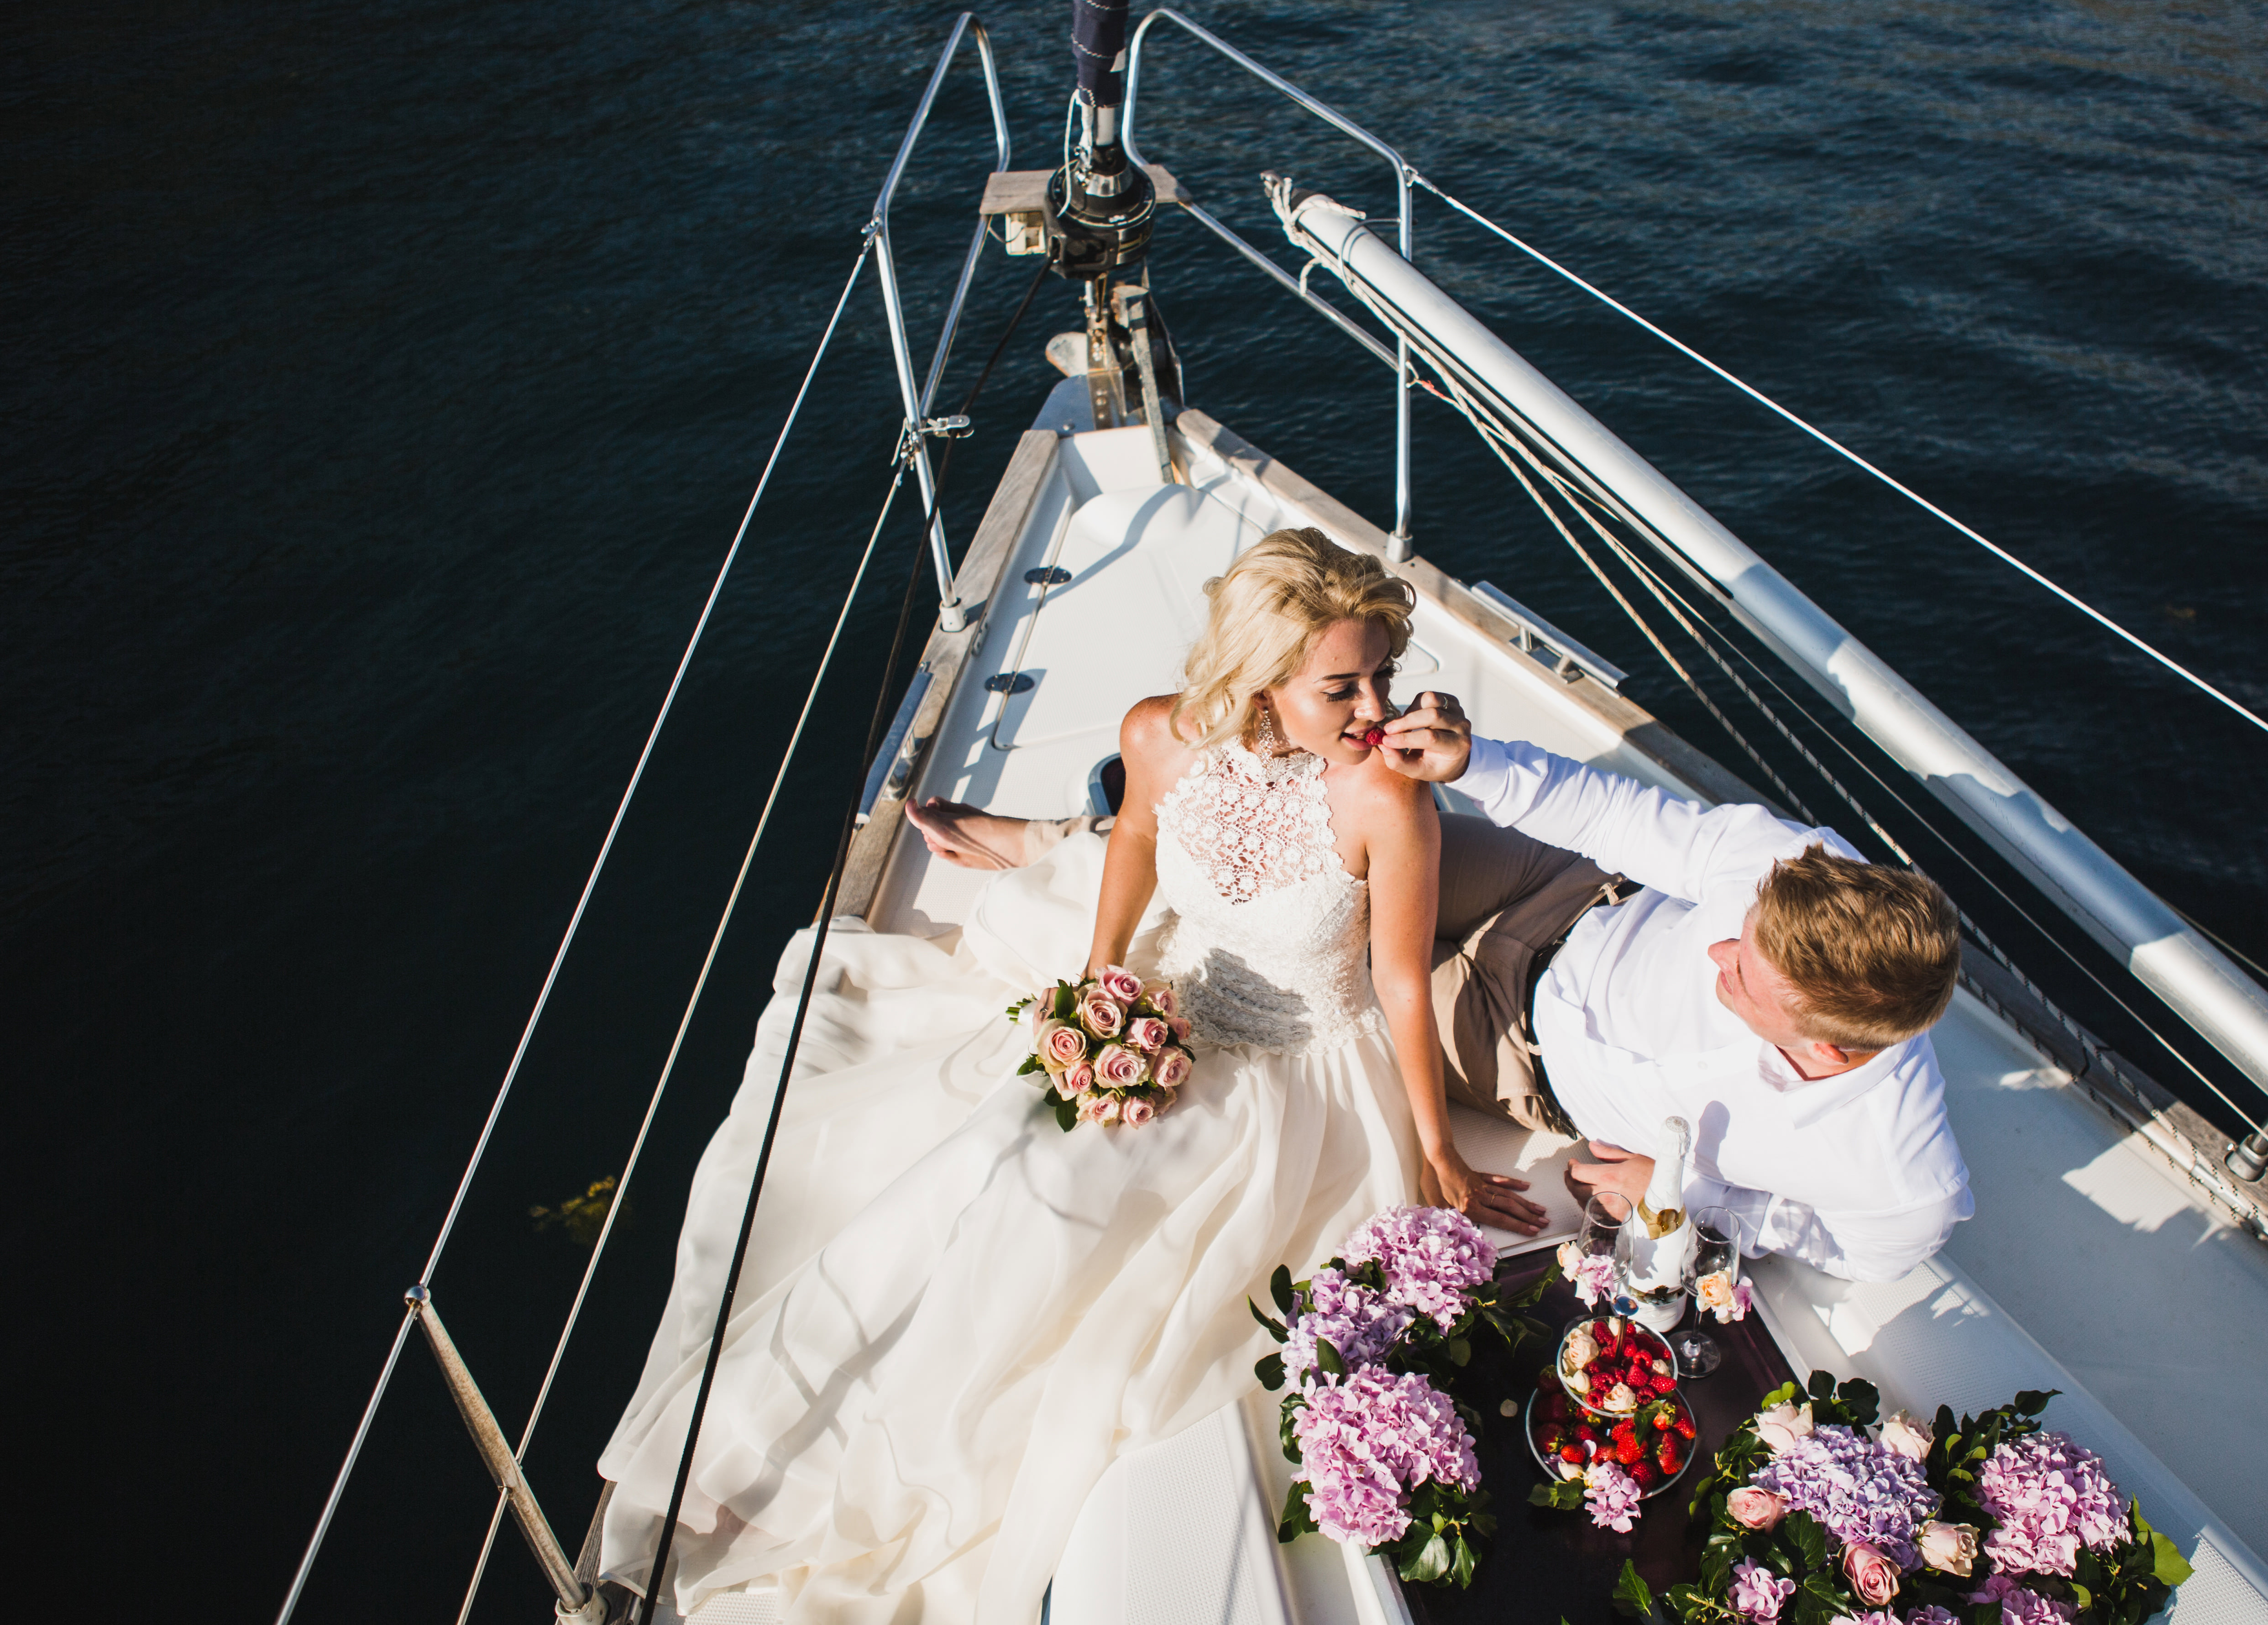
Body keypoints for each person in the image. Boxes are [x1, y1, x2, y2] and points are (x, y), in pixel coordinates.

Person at [595, 529, 1542, 1624]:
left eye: (1384, 675)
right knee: (991, 1164)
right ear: (1260, 681)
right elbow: (1133, 841)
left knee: (1068, 1227)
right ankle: (768, 1443)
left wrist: (1435, 1148)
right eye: (1344, 686)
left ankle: (894, 1474)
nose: (1376, 707)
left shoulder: (1387, 798)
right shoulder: (1160, 733)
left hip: (1300, 1070)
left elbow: (1400, 981)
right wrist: (1103, 979)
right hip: (1164, 1008)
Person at [1376, 691, 1973, 1285]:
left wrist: (1689, 1195)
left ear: (1827, 1049)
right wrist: (1474, 764)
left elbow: (1867, 1256)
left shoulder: (1905, 1180)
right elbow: (1618, 817)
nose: (1717, 952)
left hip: (1513, 1053)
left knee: (1344, 976)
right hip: (1560, 889)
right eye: (1742, 931)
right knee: (1346, 868)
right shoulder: (1803, 867)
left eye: (1742, 972)